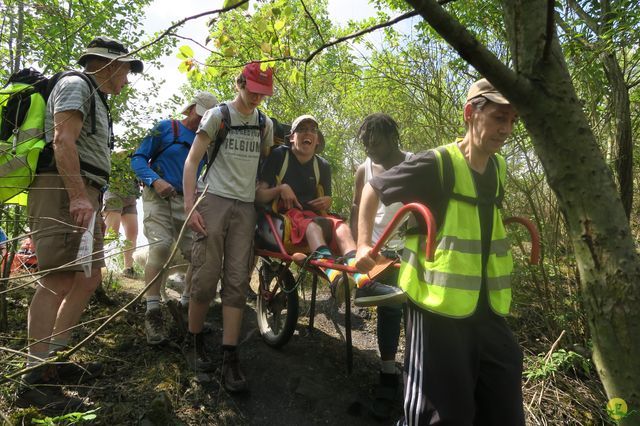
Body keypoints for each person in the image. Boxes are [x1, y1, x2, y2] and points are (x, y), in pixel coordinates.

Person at [355, 79, 524, 425]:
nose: (506, 129)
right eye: (498, 118)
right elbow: (374, 189)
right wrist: (361, 244)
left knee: (504, 406)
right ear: (470, 114)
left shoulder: (499, 168)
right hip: (436, 309)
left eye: (512, 121)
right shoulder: (436, 164)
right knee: (440, 415)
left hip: (488, 310)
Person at [19, 36, 143, 414]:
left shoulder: (97, 98)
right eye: (126, 70)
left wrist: (88, 195)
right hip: (62, 188)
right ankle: (33, 378)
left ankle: (56, 359)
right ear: (108, 64)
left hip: (87, 191)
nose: (126, 79)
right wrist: (75, 195)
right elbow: (62, 140)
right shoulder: (76, 85)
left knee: (88, 277)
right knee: (57, 277)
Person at [182, 62, 274, 393]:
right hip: (213, 199)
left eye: (263, 94)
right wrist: (189, 204)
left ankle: (229, 355)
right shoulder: (218, 116)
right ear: (240, 84)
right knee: (205, 275)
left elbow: (263, 165)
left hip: (245, 207)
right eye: (252, 91)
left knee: (237, 280)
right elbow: (192, 161)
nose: (256, 99)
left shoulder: (265, 124)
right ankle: (193, 343)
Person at [255, 114, 405, 307]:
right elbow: (259, 196)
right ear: (292, 136)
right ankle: (335, 278)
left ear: (317, 140)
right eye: (302, 129)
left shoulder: (322, 166)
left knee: (341, 228)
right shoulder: (279, 156)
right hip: (283, 219)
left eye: (312, 130)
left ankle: (363, 282)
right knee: (312, 227)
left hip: (314, 219)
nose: (307, 133)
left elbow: (324, 207)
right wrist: (280, 189)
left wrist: (327, 201)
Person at [131, 91, 217, 345]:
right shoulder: (165, 129)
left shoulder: (209, 140)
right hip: (158, 197)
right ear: (190, 109)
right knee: (160, 246)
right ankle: (153, 311)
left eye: (206, 118)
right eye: (199, 114)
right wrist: (154, 181)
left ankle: (186, 306)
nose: (201, 121)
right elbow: (137, 159)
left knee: (199, 253)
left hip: (189, 201)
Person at [350, 113, 412, 419]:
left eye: (375, 140)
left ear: (392, 136)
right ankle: (388, 374)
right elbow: (356, 209)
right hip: (376, 253)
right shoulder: (365, 169)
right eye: (365, 141)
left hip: (410, 250)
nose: (369, 146)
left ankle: (416, 374)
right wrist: (351, 250)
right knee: (390, 311)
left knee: (414, 311)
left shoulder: (415, 163)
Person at [103, 150, 141, 278]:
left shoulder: (145, 157)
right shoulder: (126, 151)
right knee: (111, 233)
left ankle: (128, 268)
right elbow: (111, 159)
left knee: (132, 233)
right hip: (114, 193)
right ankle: (100, 264)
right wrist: (129, 150)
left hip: (130, 197)